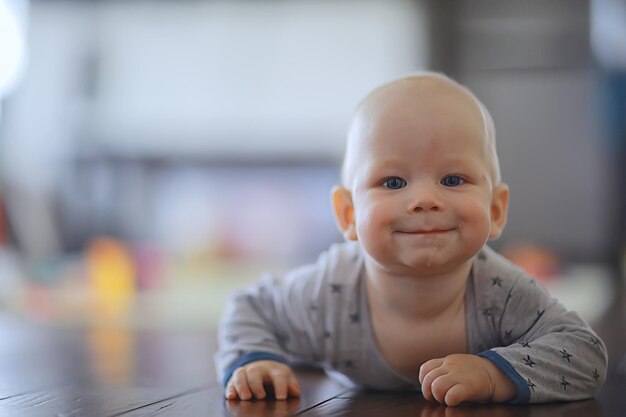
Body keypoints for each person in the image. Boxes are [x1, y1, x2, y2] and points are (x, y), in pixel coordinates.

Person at [215, 72, 608, 406]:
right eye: (393, 182)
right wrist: (254, 360)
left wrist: (494, 375)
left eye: (453, 180)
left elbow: (586, 354)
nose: (424, 200)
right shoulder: (328, 291)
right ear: (348, 215)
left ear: (495, 210)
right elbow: (250, 306)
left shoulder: (501, 292)